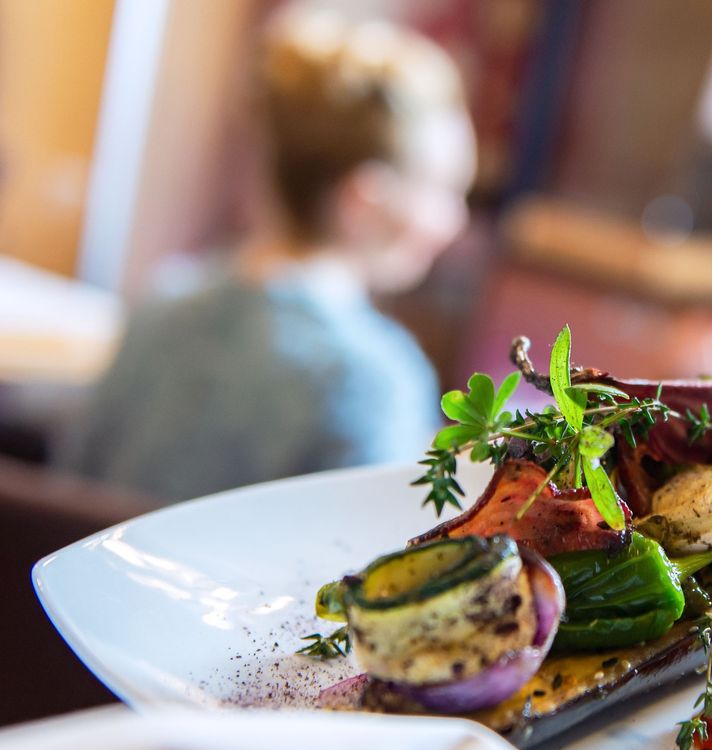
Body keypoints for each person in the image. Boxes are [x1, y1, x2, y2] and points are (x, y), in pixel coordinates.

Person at [64, 7, 475, 501]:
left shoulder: (159, 306)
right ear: (363, 199)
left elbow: (73, 484)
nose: (456, 222)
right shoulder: (371, 380)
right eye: (444, 191)